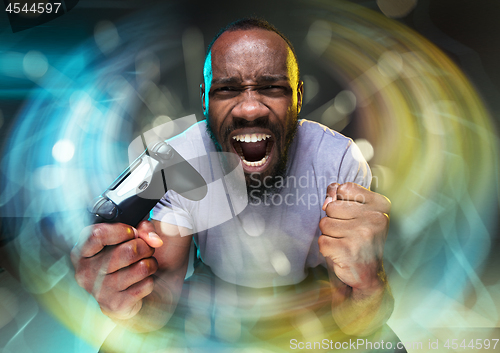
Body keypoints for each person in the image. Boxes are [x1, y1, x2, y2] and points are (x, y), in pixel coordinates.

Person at [71, 18, 397, 351]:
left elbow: (355, 317)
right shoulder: (180, 159)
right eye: (227, 89)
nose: (250, 108)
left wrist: (370, 285)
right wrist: (125, 298)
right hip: (215, 289)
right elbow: (160, 302)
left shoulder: (338, 157)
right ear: (204, 102)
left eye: (272, 87)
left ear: (298, 98)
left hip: (309, 291)